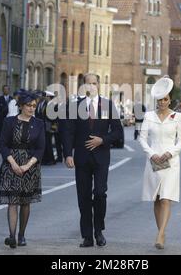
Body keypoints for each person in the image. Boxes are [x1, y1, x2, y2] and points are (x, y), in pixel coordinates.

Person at [62, 74, 123, 248]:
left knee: (100, 193)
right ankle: (87, 236)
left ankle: (99, 230)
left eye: (94, 83)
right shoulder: (74, 107)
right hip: (81, 158)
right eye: (88, 83)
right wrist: (68, 154)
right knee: (83, 197)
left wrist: (102, 140)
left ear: (99, 85)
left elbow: (118, 132)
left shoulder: (108, 105)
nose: (91, 86)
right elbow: (68, 132)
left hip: (101, 157)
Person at [138, 77, 181, 250]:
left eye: (165, 99)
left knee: (166, 198)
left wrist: (170, 152)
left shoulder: (177, 116)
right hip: (153, 161)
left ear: (170, 100)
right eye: (160, 99)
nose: (162, 102)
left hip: (171, 162)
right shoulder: (149, 116)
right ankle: (162, 232)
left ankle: (160, 234)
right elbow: (142, 139)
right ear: (156, 100)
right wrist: (151, 154)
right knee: (156, 199)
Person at [0, 90, 45, 249]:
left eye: (34, 106)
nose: (32, 109)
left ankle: (21, 234)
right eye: (29, 105)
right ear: (21, 106)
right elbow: (2, 144)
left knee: (25, 202)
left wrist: (27, 165)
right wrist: (13, 164)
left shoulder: (38, 124)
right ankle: (11, 236)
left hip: (30, 167)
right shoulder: (9, 122)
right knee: (12, 201)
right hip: (11, 164)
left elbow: (40, 149)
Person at [0, 85, 13, 156]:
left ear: (9, 90)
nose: (5, 91)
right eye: (4, 89)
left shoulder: (12, 99)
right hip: (1, 120)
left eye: (7, 89)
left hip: (9, 121)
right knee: (0, 135)